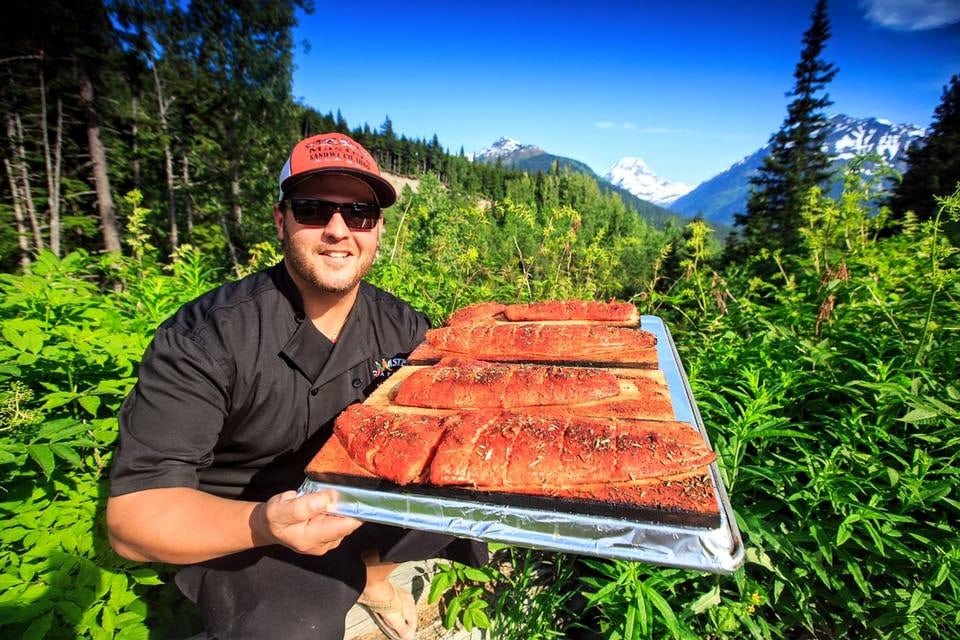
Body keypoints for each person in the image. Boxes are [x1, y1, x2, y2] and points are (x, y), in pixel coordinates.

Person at [106, 132, 488, 640]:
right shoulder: (209, 337)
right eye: (313, 209)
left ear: (376, 230)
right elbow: (134, 518)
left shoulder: (404, 327)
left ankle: (371, 576)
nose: (338, 230)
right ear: (280, 219)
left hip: (359, 497)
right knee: (286, 627)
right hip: (247, 524)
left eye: (360, 215)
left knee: (465, 495)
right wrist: (265, 522)